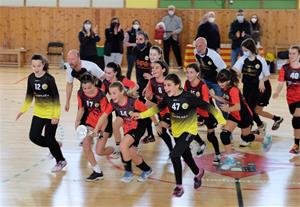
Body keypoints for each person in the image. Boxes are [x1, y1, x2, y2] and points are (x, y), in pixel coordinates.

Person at [131, 73, 226, 197]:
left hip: (189, 131)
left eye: (169, 85)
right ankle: (198, 173)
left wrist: (222, 120)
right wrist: (141, 115)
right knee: (187, 157)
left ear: (177, 85)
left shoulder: (188, 97)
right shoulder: (167, 97)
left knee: (175, 155)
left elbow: (208, 107)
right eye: (165, 85)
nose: (165, 88)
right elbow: (157, 109)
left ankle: (179, 186)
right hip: (176, 132)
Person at [93, 81, 157, 183]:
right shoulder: (113, 104)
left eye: (114, 93)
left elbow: (149, 112)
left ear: (122, 91)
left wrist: (157, 125)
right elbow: (104, 116)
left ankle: (128, 173)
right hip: (128, 127)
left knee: (123, 146)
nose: (112, 96)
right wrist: (96, 129)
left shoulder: (133, 102)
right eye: (110, 93)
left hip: (138, 126)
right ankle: (147, 170)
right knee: (131, 153)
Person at [16, 54, 67, 172]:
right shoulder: (31, 78)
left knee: (49, 138)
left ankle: (61, 160)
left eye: (38, 66)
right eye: (33, 66)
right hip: (38, 113)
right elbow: (29, 96)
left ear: (43, 65)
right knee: (33, 137)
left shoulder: (49, 79)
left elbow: (56, 98)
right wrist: (22, 110)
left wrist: (56, 116)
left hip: (51, 114)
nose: (36, 68)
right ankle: (55, 145)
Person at [214, 69, 272, 170]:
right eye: (218, 81)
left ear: (228, 81)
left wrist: (227, 109)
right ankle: (230, 159)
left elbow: (238, 107)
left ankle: (265, 139)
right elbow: (227, 99)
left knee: (246, 137)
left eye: (222, 81)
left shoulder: (233, 90)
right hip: (234, 115)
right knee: (224, 135)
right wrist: (214, 96)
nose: (220, 84)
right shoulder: (226, 88)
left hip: (244, 115)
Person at [233, 38, 283, 144]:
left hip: (261, 88)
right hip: (247, 87)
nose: (244, 52)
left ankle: (248, 135)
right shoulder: (242, 59)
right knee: (255, 110)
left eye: (246, 50)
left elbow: (268, 75)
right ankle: (271, 121)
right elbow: (235, 70)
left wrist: (261, 80)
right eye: (243, 50)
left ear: (251, 49)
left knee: (249, 110)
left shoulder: (260, 60)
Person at [75, 73, 113, 181]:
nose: (86, 90)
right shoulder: (81, 93)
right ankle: (97, 171)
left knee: (99, 151)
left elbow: (105, 117)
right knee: (86, 146)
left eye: (89, 88)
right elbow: (81, 109)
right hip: (91, 121)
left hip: (104, 122)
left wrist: (100, 131)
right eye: (84, 88)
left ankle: (116, 150)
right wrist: (77, 122)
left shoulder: (101, 96)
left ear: (94, 84)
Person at [184, 63, 221, 164]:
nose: (188, 75)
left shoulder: (203, 86)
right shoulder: (187, 83)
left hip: (207, 112)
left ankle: (217, 153)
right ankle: (201, 143)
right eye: (187, 72)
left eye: (191, 72)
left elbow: (205, 103)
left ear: (197, 73)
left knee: (211, 136)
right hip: (196, 112)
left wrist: (198, 116)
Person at [101, 62, 138, 159]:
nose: (106, 75)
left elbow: (135, 86)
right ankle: (118, 148)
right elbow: (101, 95)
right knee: (115, 126)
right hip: (118, 109)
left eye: (109, 73)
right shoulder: (105, 82)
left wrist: (128, 94)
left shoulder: (122, 80)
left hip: (129, 108)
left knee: (129, 128)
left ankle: (131, 145)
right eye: (105, 72)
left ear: (115, 73)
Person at [273, 45, 300, 154]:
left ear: (299, 55)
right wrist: (277, 92)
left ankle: (296, 144)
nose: (291, 55)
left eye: (294, 53)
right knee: (296, 119)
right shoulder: (285, 68)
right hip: (290, 99)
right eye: (290, 53)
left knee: (297, 119)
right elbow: (280, 83)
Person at [142, 60, 173, 154]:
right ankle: (172, 151)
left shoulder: (170, 81)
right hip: (163, 111)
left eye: (157, 68)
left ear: (163, 70)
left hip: (174, 111)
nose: (153, 70)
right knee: (161, 132)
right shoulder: (152, 81)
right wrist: (156, 124)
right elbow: (147, 105)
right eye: (153, 68)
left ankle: (185, 147)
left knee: (175, 132)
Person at [194, 37, 227, 116]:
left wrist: (222, 85)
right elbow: (199, 63)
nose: (198, 48)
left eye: (200, 46)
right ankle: (209, 117)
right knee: (203, 99)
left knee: (219, 102)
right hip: (205, 79)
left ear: (206, 45)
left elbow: (223, 70)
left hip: (216, 82)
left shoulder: (214, 56)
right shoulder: (195, 52)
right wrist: (199, 76)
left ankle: (227, 119)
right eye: (196, 46)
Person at [133, 31, 154, 140]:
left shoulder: (151, 51)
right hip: (141, 83)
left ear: (146, 40)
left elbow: (160, 66)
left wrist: (152, 76)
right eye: (137, 39)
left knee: (156, 109)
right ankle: (149, 133)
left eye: (141, 39)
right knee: (142, 107)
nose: (138, 41)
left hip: (152, 83)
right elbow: (137, 67)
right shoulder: (135, 50)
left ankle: (163, 128)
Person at [161, 5, 183, 70]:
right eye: (170, 9)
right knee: (166, 52)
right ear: (168, 10)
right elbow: (161, 27)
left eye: (172, 9)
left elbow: (180, 28)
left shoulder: (178, 18)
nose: (171, 10)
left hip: (174, 36)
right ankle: (166, 65)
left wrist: (175, 32)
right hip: (166, 37)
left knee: (177, 51)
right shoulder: (164, 18)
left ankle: (180, 65)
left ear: (174, 10)